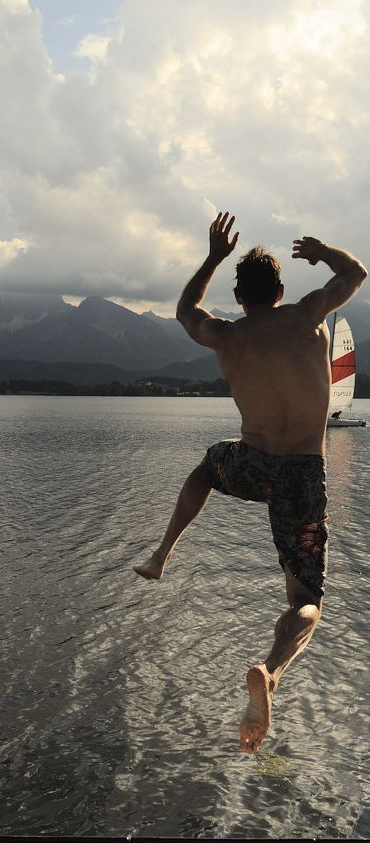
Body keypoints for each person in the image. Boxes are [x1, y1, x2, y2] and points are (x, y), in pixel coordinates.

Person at [133, 212, 367, 753]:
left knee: (206, 466)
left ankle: (162, 555)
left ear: (239, 297)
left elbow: (185, 311)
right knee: (306, 598)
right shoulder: (308, 315)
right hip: (303, 472)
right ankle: (271, 669)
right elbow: (355, 274)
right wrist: (322, 250)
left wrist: (212, 257)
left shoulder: (226, 336)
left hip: (253, 461)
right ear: (280, 290)